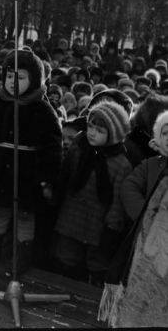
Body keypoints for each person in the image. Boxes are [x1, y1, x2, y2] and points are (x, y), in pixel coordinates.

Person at [0, 49, 62, 275]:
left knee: (25, 216)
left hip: (27, 175)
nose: (14, 82)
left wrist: (47, 178)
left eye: (21, 77)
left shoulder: (43, 111)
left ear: (34, 79)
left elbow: (52, 147)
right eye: (9, 76)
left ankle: (22, 255)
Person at [98, 110, 168, 326]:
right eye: (165, 133)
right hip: (146, 241)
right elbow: (129, 186)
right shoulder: (153, 164)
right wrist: (145, 217)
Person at [52, 100, 133, 283]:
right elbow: (65, 177)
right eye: (90, 126)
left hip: (98, 222)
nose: (92, 133)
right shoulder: (79, 149)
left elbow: (117, 203)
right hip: (72, 215)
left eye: (100, 130)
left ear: (113, 134)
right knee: (66, 258)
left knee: (96, 264)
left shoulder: (121, 164)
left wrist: (112, 228)